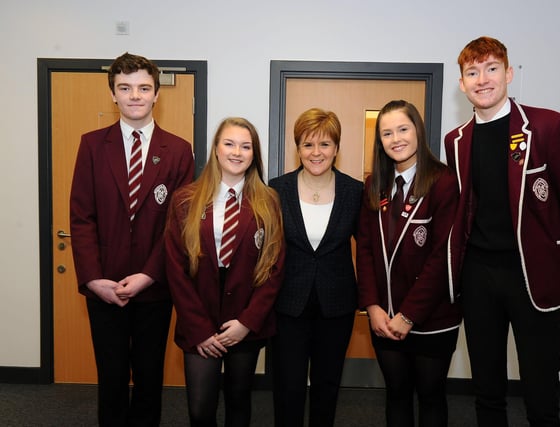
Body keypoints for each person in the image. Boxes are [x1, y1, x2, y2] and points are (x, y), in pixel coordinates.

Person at [445, 36, 560, 427]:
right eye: (472, 72)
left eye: (492, 69)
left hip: (532, 276)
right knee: (487, 391)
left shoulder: (550, 127)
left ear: (508, 74)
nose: (483, 79)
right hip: (478, 276)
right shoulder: (456, 141)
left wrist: (557, 255)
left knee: (540, 391)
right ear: (462, 83)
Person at [70, 52, 195, 426]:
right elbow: (81, 217)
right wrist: (93, 279)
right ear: (113, 94)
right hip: (103, 287)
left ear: (157, 94)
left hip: (153, 289)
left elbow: (179, 225)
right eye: (125, 88)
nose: (135, 95)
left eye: (143, 88)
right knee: (110, 379)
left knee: (148, 379)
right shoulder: (92, 145)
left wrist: (147, 276)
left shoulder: (178, 150)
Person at [164, 117, 285, 427]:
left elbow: (274, 266)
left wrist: (247, 322)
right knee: (200, 409)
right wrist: (199, 328)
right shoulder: (185, 199)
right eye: (229, 143)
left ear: (254, 154)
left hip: (245, 316)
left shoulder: (269, 201)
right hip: (198, 313)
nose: (236, 152)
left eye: (246, 146)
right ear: (216, 150)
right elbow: (175, 268)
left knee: (239, 402)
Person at [356, 100, 461, 427]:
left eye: (403, 129)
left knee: (430, 396)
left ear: (418, 130)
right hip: (385, 317)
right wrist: (372, 306)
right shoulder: (375, 184)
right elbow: (366, 250)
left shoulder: (444, 182)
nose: (395, 138)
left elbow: (443, 257)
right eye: (386, 133)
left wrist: (409, 315)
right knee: (396, 393)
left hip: (431, 316)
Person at [269, 108, 363, 427]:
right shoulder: (276, 189)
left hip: (336, 306)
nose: (316, 153)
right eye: (308, 145)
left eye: (324, 144)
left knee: (327, 385)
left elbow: (367, 249)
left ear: (337, 148)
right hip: (287, 304)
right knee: (288, 386)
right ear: (298, 148)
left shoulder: (354, 191)